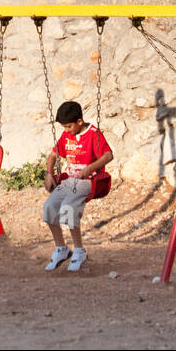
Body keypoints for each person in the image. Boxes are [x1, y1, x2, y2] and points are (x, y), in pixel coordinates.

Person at [43, 101, 113, 274]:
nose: (66, 130)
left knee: (68, 208)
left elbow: (108, 155)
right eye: (64, 127)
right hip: (70, 181)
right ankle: (61, 248)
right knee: (49, 207)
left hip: (88, 181)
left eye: (68, 126)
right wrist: (49, 173)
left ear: (80, 122)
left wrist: (90, 168)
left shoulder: (94, 134)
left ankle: (79, 250)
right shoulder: (67, 136)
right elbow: (54, 154)